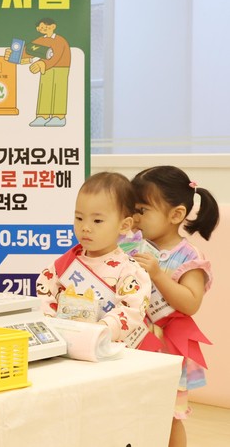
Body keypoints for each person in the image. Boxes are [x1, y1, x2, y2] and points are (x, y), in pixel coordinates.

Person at [130, 166, 219, 447]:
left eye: (142, 210)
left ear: (176, 215)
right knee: (131, 407)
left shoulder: (189, 257)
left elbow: (191, 303)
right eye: (132, 209)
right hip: (134, 340)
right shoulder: (134, 246)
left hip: (169, 347)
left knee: (169, 413)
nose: (135, 218)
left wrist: (158, 274)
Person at [35, 172, 152, 348]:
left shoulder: (130, 271)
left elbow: (131, 311)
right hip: (63, 347)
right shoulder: (64, 264)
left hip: (107, 352)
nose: (85, 227)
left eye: (97, 220)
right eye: (79, 218)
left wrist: (100, 329)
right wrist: (51, 326)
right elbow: (45, 296)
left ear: (124, 225)